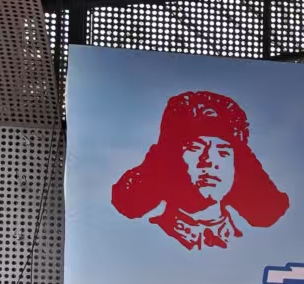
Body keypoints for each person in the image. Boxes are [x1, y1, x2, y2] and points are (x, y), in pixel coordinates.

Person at [111, 91, 291, 251]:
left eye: (223, 152)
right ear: (172, 158)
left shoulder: (254, 245)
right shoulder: (141, 241)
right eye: (195, 149)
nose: (209, 161)